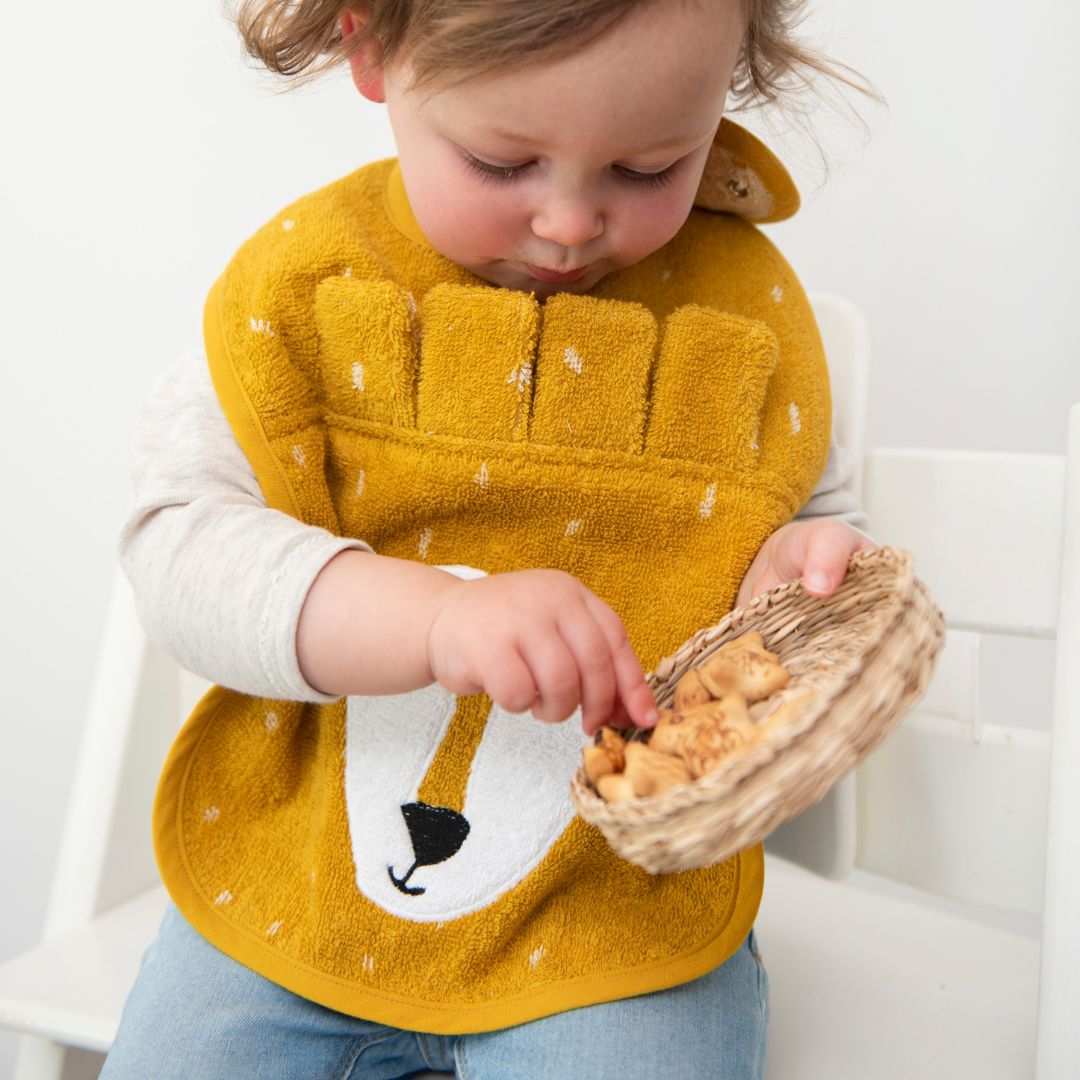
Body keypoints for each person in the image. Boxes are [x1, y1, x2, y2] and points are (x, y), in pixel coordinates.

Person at [102, 1, 875, 1076]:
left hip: (616, 914)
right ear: (373, 49)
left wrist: (793, 584)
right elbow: (179, 554)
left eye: (649, 169)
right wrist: (432, 617)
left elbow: (810, 527)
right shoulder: (299, 294)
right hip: (291, 881)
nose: (568, 222)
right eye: (502, 161)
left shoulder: (742, 325)